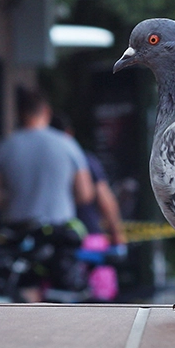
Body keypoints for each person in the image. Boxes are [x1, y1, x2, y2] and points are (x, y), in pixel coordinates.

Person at [0, 87, 94, 227]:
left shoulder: (5, 146)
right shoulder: (68, 144)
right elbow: (85, 193)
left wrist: (16, 200)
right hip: (59, 228)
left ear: (20, 114)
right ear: (47, 111)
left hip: (20, 230)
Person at [51, 114, 127, 300]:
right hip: (88, 238)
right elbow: (105, 199)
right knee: (99, 300)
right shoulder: (83, 159)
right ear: (69, 133)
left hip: (50, 240)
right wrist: (116, 235)